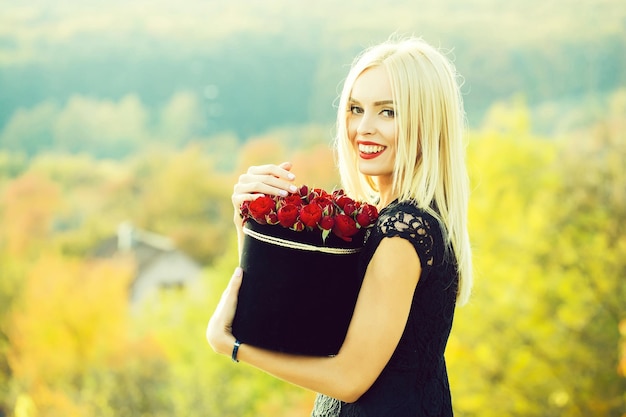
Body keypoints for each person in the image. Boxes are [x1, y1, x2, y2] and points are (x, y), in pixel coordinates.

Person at [207, 36, 473, 417]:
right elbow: (301, 327)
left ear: (427, 122)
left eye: (388, 112)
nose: (364, 128)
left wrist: (232, 347)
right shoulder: (381, 218)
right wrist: (251, 229)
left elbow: (349, 379)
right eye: (355, 108)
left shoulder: (403, 231)